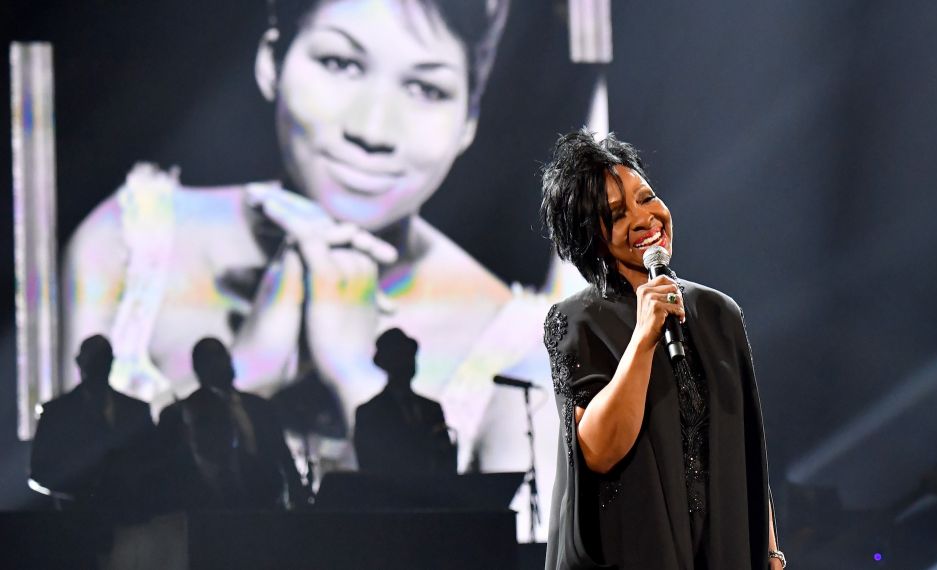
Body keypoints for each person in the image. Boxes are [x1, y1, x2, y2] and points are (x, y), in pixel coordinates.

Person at [62, 0, 522, 471]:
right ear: (271, 63)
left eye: (426, 88)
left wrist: (354, 376)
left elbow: (516, 544)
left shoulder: (518, 338)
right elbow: (77, 520)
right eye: (340, 63)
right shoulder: (131, 243)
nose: (373, 129)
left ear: (469, 119)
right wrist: (249, 367)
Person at [539, 130, 785, 569]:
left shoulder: (719, 313)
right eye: (616, 214)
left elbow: (748, 448)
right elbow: (598, 450)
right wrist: (643, 336)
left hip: (722, 549)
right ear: (590, 238)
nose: (643, 218)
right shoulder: (576, 322)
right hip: (633, 549)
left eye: (647, 197)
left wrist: (771, 554)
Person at [156, 337, 307, 510]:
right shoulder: (184, 412)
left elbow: (282, 453)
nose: (222, 362)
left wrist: (297, 493)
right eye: (212, 358)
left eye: (222, 355)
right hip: (214, 510)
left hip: (266, 504)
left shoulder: (260, 407)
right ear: (199, 368)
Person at [30, 335, 154, 511]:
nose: (97, 369)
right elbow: (41, 471)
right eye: (94, 362)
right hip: (75, 517)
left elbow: (153, 461)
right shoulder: (55, 413)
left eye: (100, 362)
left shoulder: (137, 411)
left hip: (126, 516)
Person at [354, 328, 456, 475]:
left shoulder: (432, 409)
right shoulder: (370, 413)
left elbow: (446, 463)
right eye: (401, 355)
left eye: (410, 355)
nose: (409, 361)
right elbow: (371, 469)